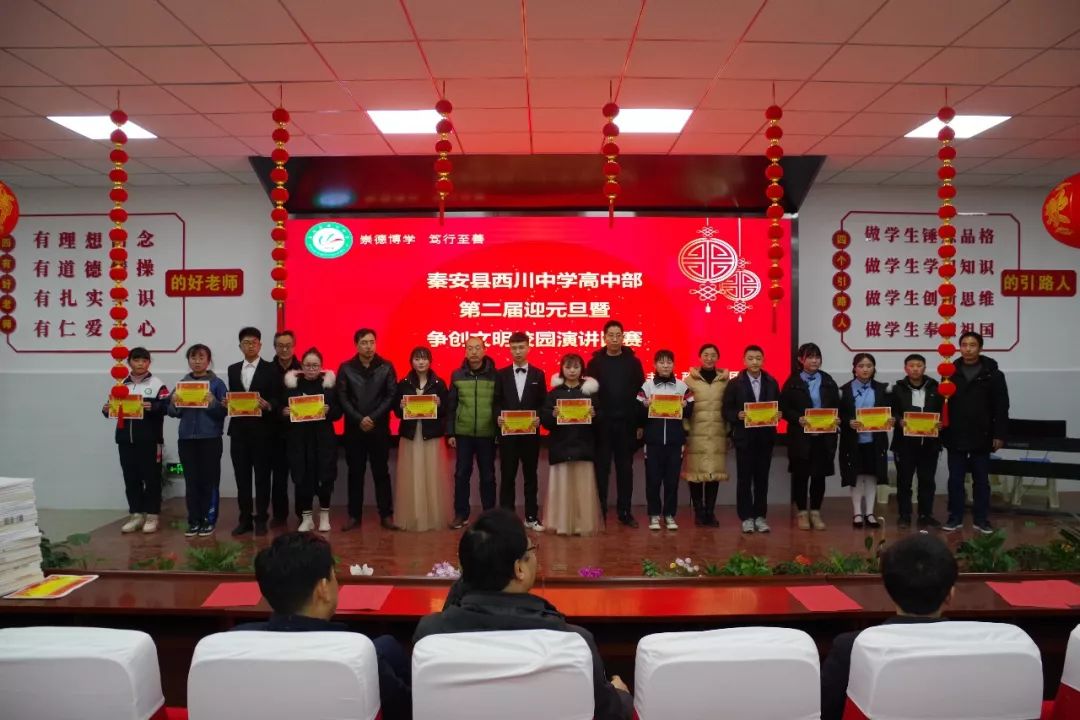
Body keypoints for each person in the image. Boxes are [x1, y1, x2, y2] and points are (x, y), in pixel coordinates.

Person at [414, 510, 632, 720]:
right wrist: (621, 696)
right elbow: (611, 713)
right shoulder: (573, 642)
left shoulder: (431, 634)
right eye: (532, 550)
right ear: (519, 569)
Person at [235, 532, 412, 720]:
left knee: (388, 645)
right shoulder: (361, 657)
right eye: (334, 575)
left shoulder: (237, 642)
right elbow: (407, 710)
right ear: (323, 589)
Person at [819, 533, 957, 720]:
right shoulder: (982, 647)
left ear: (889, 590)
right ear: (950, 595)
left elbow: (825, 713)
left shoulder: (850, 648)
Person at [941, 331, 1010, 534]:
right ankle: (955, 517)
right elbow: (943, 404)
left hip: (983, 434)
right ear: (959, 347)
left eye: (972, 345)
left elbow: (1002, 407)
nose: (968, 349)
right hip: (956, 434)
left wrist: (999, 434)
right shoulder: (949, 372)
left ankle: (981, 519)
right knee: (955, 479)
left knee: (981, 480)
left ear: (980, 348)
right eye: (964, 345)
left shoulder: (993, 374)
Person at [100, 347, 169, 534]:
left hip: (150, 440)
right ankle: (136, 515)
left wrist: (153, 406)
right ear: (129, 362)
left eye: (144, 361)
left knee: (152, 478)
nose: (140, 364)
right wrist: (106, 409)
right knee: (131, 478)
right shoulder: (121, 384)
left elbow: (167, 407)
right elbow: (113, 408)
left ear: (149, 363)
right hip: (125, 440)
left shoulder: (157, 384)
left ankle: (152, 516)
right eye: (136, 360)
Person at [586, 320, 646, 528]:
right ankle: (600, 512)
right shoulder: (595, 363)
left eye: (618, 335)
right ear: (604, 338)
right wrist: (597, 416)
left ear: (623, 337)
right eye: (610, 335)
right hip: (602, 425)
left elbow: (641, 393)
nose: (614, 339)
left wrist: (640, 423)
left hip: (626, 425)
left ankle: (625, 512)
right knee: (601, 470)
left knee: (625, 470)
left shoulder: (633, 362)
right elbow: (590, 393)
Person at [337, 328, 397, 531]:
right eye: (364, 343)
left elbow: (391, 396)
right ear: (356, 345)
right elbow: (343, 397)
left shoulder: (386, 366)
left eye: (372, 342)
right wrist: (359, 419)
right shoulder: (346, 368)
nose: (368, 346)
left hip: (379, 429)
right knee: (355, 473)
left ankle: (386, 515)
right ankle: (354, 516)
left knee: (381, 473)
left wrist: (372, 418)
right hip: (354, 430)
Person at [168, 344, 228, 537]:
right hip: (186, 439)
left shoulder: (217, 384)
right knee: (191, 481)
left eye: (201, 357)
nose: (197, 361)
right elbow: (173, 413)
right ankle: (194, 520)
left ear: (208, 361)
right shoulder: (182, 384)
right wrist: (173, 402)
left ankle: (209, 520)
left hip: (210, 438)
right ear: (188, 360)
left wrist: (213, 403)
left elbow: (224, 412)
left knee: (209, 480)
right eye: (193, 357)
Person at [780, 342, 840, 531]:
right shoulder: (793, 382)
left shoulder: (828, 381)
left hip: (824, 437)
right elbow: (783, 408)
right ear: (801, 359)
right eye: (810, 357)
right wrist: (797, 418)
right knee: (801, 476)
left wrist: (836, 419)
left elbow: (837, 406)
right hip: (800, 438)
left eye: (817, 357)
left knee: (819, 476)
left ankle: (815, 511)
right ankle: (801, 513)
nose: (814, 361)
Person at [226, 327, 281, 537]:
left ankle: (261, 519)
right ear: (240, 346)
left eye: (254, 342)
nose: (250, 346)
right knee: (242, 478)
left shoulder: (271, 369)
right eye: (246, 343)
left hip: (263, 432)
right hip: (239, 432)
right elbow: (233, 396)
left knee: (262, 477)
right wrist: (227, 402)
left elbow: (278, 397)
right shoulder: (232, 369)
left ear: (260, 345)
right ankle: (245, 519)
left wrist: (269, 405)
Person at [540, 353, 602, 536]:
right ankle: (561, 524)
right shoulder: (554, 394)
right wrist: (552, 415)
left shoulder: (589, 392)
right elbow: (545, 420)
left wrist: (594, 415)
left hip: (583, 446)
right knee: (561, 488)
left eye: (576, 367)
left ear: (582, 369)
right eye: (568, 367)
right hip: (561, 446)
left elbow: (600, 418)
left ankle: (583, 525)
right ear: (562, 369)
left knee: (583, 489)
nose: (572, 371)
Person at [721, 344, 781, 534]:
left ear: (763, 360)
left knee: (762, 479)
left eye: (758, 358)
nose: (754, 362)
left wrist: (779, 414)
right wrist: (736, 415)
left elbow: (779, 406)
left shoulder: (771, 382)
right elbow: (726, 410)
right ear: (744, 361)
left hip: (765, 438)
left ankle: (760, 516)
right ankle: (746, 517)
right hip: (744, 439)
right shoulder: (735, 383)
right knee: (744, 480)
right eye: (750, 358)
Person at [392, 346, 451, 532]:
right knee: (412, 476)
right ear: (411, 362)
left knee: (431, 476)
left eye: (424, 358)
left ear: (430, 361)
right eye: (417, 359)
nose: (421, 362)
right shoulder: (403, 383)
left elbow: (446, 410)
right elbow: (397, 412)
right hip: (411, 436)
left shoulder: (439, 383)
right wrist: (401, 406)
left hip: (431, 436)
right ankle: (412, 517)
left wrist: (440, 405)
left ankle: (432, 518)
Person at [283, 348, 341, 533]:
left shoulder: (329, 385)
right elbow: (280, 409)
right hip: (300, 441)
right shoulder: (292, 385)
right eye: (307, 365)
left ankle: (324, 516)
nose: (311, 369)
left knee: (325, 478)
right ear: (301, 366)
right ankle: (307, 518)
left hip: (323, 440)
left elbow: (339, 412)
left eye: (315, 365)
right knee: (302, 478)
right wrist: (284, 412)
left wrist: (329, 410)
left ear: (321, 366)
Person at [446, 335, 499, 530]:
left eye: (477, 348)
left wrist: (499, 431)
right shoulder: (457, 375)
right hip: (464, 433)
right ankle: (461, 514)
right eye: (470, 348)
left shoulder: (495, 376)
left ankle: (489, 515)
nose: (474, 352)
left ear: (484, 350)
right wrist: (450, 433)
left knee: (488, 476)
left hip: (487, 433)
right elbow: (451, 406)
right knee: (461, 474)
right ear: (465, 351)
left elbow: (499, 405)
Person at [637, 349, 693, 531]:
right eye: (661, 362)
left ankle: (669, 515)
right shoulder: (647, 386)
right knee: (653, 480)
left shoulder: (681, 386)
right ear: (655, 365)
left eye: (669, 362)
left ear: (674, 365)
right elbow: (637, 410)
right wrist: (645, 406)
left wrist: (685, 405)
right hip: (653, 442)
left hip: (675, 442)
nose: (665, 365)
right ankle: (654, 515)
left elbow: (691, 409)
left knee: (672, 481)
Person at [495, 331, 546, 530]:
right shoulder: (501, 374)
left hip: (530, 436)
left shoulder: (538, 374)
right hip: (508, 436)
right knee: (507, 477)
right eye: (514, 348)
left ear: (528, 348)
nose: (517, 351)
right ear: (509, 349)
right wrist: (497, 417)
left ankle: (531, 517)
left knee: (530, 477)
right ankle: (506, 518)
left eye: (521, 347)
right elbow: (496, 401)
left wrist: (539, 416)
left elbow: (543, 402)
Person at [838, 353, 893, 529]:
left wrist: (890, 419)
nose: (865, 369)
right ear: (854, 368)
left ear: (874, 368)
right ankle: (857, 513)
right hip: (853, 441)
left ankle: (869, 513)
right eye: (861, 366)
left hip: (875, 441)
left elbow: (890, 411)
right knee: (855, 476)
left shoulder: (883, 389)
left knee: (871, 476)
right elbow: (838, 415)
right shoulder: (844, 390)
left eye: (869, 366)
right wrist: (848, 422)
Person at [890, 354, 943, 529]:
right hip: (904, 444)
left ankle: (925, 515)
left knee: (927, 481)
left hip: (929, 444)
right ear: (906, 368)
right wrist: (899, 421)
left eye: (919, 365)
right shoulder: (897, 389)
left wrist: (941, 423)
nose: (915, 369)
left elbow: (943, 411)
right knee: (904, 481)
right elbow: (891, 411)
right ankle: (904, 515)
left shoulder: (936, 388)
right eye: (911, 365)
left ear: (924, 368)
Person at [682, 343, 730, 527]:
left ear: (718, 358)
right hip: (696, 433)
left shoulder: (725, 381)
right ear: (700, 357)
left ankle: (710, 512)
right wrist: (686, 429)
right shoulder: (689, 381)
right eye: (706, 355)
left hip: (717, 433)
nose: (709, 358)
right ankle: (699, 512)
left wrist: (728, 431)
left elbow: (728, 407)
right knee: (695, 474)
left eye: (713, 355)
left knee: (714, 474)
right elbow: (683, 408)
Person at [270, 329, 301, 525]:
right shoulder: (267, 369)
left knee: (300, 476)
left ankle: (302, 514)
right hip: (275, 431)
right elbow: (264, 397)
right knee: (279, 477)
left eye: (288, 346)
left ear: (294, 346)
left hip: (298, 432)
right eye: (280, 346)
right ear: (275, 347)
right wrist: (279, 410)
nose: (284, 349)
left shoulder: (302, 369)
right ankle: (279, 516)